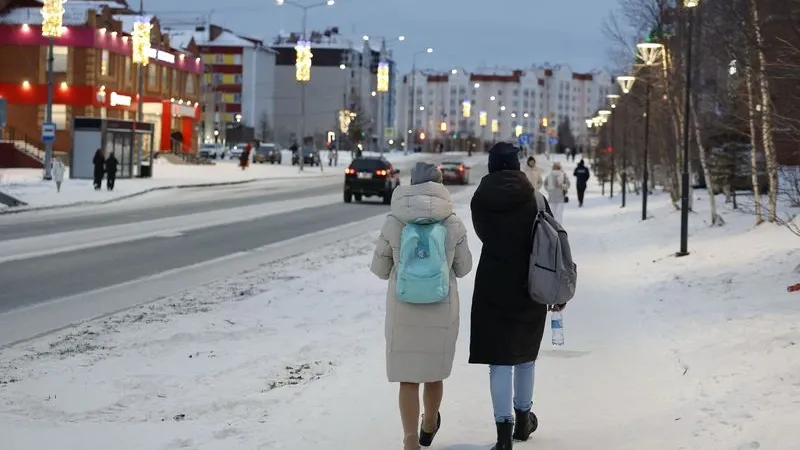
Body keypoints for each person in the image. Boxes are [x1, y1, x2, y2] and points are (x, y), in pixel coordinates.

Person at [370, 162, 473, 450]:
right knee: (433, 373)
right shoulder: (452, 222)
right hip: (441, 308)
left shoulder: (394, 221)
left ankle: (410, 439)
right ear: (441, 186)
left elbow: (379, 269)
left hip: (403, 308)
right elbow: (464, 268)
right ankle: (429, 424)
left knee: (408, 377)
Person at [470, 142, 557, 450]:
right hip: (529, 286)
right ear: (518, 164)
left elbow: (483, 234)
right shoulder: (536, 199)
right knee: (524, 357)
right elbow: (548, 241)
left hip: (493, 284)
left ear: (492, 165)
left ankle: (503, 435)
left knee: (499, 360)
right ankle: (523, 419)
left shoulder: (480, 199)